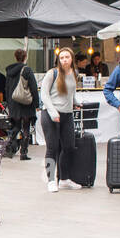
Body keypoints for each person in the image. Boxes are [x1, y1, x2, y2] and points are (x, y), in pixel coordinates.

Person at [40, 47, 83, 193]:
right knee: (52, 148)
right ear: (58, 60)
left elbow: (71, 92)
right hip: (51, 114)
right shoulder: (52, 73)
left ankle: (64, 179)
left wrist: (75, 102)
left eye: (67, 57)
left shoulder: (74, 73)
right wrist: (53, 112)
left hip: (67, 114)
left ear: (72, 59)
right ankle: (51, 180)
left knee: (69, 146)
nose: (64, 60)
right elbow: (44, 94)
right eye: (62, 57)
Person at [3, 50, 39, 160]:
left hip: (13, 103)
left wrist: (8, 103)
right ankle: (23, 153)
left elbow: (7, 88)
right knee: (26, 128)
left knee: (16, 126)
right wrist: (36, 104)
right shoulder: (27, 70)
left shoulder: (9, 71)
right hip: (26, 103)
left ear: (15, 57)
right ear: (25, 57)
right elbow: (33, 87)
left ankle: (8, 147)